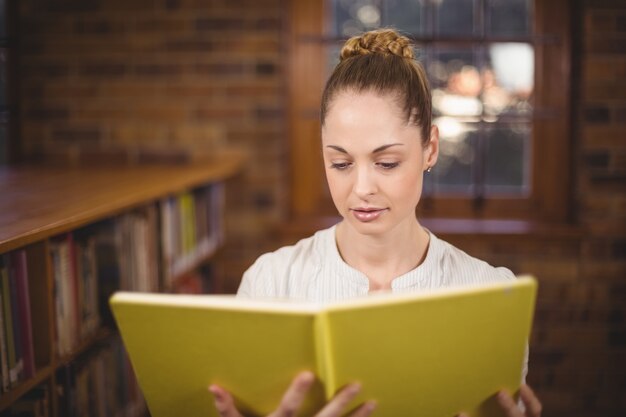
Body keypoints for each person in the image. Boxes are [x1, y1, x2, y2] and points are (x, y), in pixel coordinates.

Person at [208, 28, 543, 417]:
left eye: (386, 163)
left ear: (429, 149)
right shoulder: (270, 282)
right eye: (340, 163)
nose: (361, 188)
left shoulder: (490, 295)